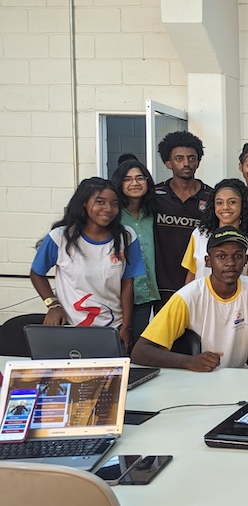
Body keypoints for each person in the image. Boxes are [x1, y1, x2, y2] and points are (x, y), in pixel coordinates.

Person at [133, 227, 248, 371]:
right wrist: (189, 362)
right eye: (221, 256)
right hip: (198, 380)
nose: (230, 263)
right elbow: (140, 351)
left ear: (245, 260)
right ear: (208, 261)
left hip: (238, 377)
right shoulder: (188, 297)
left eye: (237, 256)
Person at [29, 177, 144, 351]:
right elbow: (37, 273)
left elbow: (127, 284)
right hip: (71, 329)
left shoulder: (126, 237)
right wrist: (53, 304)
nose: (108, 209)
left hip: (112, 330)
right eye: (100, 202)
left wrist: (126, 327)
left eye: (114, 204)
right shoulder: (60, 237)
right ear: (84, 203)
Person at [153, 131, 213, 305]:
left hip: (199, 282)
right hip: (162, 285)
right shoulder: (154, 196)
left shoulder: (211, 197)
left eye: (191, 158)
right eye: (179, 159)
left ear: (198, 162)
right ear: (168, 163)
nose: (186, 163)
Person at [111, 158, 160, 342]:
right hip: (118, 295)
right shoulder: (113, 216)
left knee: (138, 346)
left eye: (140, 178)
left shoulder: (152, 213)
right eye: (128, 179)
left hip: (146, 294)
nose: (135, 183)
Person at [182, 179, 248, 283]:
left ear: (243, 205)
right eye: (219, 202)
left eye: (232, 202)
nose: (225, 207)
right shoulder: (199, 235)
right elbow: (192, 274)